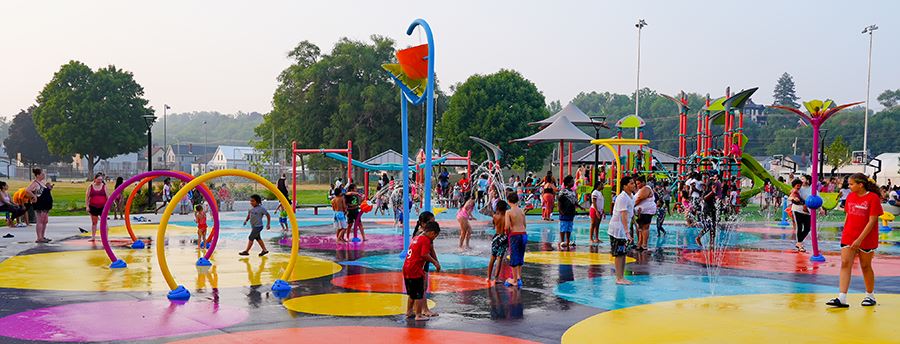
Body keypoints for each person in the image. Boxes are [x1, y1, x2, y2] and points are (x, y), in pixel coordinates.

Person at [827, 173, 883, 308]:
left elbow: (872, 221)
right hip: (849, 236)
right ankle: (842, 297)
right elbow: (848, 215)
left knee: (865, 266)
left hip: (866, 238)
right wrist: (845, 233)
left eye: (851, 184)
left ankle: (870, 295)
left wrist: (859, 239)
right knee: (845, 263)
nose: (849, 186)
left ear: (860, 185)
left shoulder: (873, 198)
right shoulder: (850, 196)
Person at [403, 221, 441, 321]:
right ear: (432, 233)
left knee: (412, 293)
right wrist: (435, 262)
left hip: (407, 268)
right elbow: (424, 254)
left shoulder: (416, 237)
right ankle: (418, 315)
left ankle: (409, 311)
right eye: (435, 236)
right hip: (415, 269)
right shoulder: (425, 240)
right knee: (419, 294)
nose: (434, 239)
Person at [608, 176, 635, 285]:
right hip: (618, 229)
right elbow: (623, 215)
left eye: (633, 183)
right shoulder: (622, 197)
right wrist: (627, 231)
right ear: (625, 186)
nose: (634, 185)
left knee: (623, 253)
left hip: (623, 229)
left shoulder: (631, 196)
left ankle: (621, 276)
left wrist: (635, 224)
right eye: (631, 183)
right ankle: (618, 278)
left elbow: (630, 213)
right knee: (619, 254)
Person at [504, 193, 527, 288]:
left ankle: (514, 280)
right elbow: (525, 224)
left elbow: (507, 226)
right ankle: (518, 277)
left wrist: (506, 233)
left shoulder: (508, 212)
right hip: (523, 234)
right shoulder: (521, 211)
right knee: (520, 256)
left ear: (508, 201)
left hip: (514, 235)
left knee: (514, 256)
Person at [25, 168, 53, 243]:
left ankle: (42, 236)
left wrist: (49, 188)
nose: (44, 175)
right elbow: (27, 190)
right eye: (42, 174)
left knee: (45, 221)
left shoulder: (42, 183)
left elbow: (42, 192)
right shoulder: (35, 183)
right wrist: (34, 196)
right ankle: (39, 238)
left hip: (45, 205)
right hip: (40, 205)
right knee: (40, 220)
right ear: (37, 175)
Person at [557, 175, 582, 249]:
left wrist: (580, 207)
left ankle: (567, 240)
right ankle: (562, 241)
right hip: (564, 212)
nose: (573, 182)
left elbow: (574, 202)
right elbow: (559, 201)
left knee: (569, 227)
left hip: (571, 212)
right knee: (563, 226)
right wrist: (560, 210)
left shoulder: (573, 192)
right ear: (567, 183)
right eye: (572, 181)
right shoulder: (563, 191)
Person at [633, 175, 656, 251]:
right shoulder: (642, 188)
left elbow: (640, 199)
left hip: (646, 212)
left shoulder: (646, 188)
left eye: (639, 183)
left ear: (643, 182)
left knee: (645, 228)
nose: (638, 185)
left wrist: (632, 205)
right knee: (641, 228)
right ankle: (640, 243)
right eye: (637, 184)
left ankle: (644, 245)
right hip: (642, 211)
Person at [488, 200, 509, 283]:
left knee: (492, 257)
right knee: (500, 258)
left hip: (496, 236)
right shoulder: (506, 217)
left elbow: (494, 225)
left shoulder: (494, 216)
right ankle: (496, 278)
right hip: (504, 237)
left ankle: (489, 277)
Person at [789, 179, 811, 252]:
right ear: (794, 186)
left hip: (806, 211)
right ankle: (799, 243)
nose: (799, 187)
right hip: (797, 210)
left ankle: (799, 242)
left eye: (800, 185)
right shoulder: (794, 191)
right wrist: (794, 198)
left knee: (807, 228)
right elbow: (790, 197)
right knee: (799, 226)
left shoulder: (805, 190)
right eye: (797, 185)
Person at [85, 173, 108, 241]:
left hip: (103, 207)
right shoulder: (91, 186)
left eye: (101, 179)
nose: (100, 181)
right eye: (98, 179)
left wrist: (108, 206)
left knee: (104, 222)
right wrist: (87, 206)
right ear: (95, 179)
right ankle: (93, 237)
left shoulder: (104, 186)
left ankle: (105, 237)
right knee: (94, 222)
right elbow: (87, 197)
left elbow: (107, 196)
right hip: (93, 206)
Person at [589, 181, 605, 245]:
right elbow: (594, 202)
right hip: (594, 210)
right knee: (593, 224)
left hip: (599, 210)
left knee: (597, 225)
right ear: (598, 186)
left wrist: (602, 210)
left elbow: (600, 203)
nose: (603, 186)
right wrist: (596, 211)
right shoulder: (595, 192)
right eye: (601, 185)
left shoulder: (600, 193)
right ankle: (591, 238)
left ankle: (597, 238)